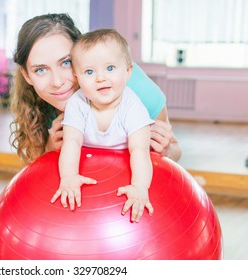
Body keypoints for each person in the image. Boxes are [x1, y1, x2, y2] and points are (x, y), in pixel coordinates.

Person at [9, 13, 181, 164]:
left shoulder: (135, 88)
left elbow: (175, 151)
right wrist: (50, 148)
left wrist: (165, 150)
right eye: (40, 70)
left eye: (66, 63)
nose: (57, 81)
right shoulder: (38, 102)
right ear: (26, 75)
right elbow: (35, 170)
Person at [50, 29, 154, 222]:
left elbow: (140, 149)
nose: (100, 78)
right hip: (90, 165)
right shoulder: (77, 103)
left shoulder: (133, 107)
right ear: (77, 76)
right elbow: (71, 141)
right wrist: (69, 177)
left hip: (124, 167)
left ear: (128, 71)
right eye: (89, 71)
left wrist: (140, 187)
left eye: (110, 68)